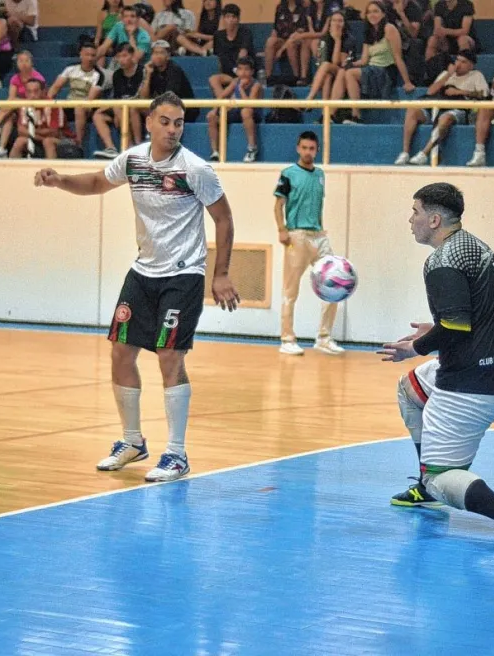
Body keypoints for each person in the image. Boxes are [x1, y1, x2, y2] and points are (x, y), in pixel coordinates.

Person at [33, 92, 240, 482]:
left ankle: (176, 454)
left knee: (168, 357)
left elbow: (224, 220)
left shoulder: (195, 169)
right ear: (148, 122)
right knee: (121, 352)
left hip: (183, 274)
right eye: (165, 121)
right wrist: (59, 180)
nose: (173, 129)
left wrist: (221, 273)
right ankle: (132, 441)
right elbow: (96, 181)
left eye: (179, 122)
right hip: (142, 272)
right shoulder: (132, 160)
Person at [379, 182, 494, 541]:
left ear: (434, 219)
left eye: (415, 211)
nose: (411, 219)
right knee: (410, 390)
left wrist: (415, 347)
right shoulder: (471, 246)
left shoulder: (441, 262)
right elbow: (466, 316)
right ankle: (424, 481)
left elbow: (455, 325)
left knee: (441, 480)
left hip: (476, 383)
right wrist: (434, 329)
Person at [273, 131, 344, 356]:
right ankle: (287, 339)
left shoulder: (320, 174)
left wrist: (321, 228)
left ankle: (324, 337)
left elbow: (318, 207)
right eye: (304, 148)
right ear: (298, 148)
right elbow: (278, 205)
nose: (308, 152)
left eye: (312, 148)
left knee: (333, 284)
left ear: (317, 150)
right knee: (290, 289)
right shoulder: (288, 174)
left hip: (319, 235)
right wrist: (282, 229)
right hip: (297, 235)